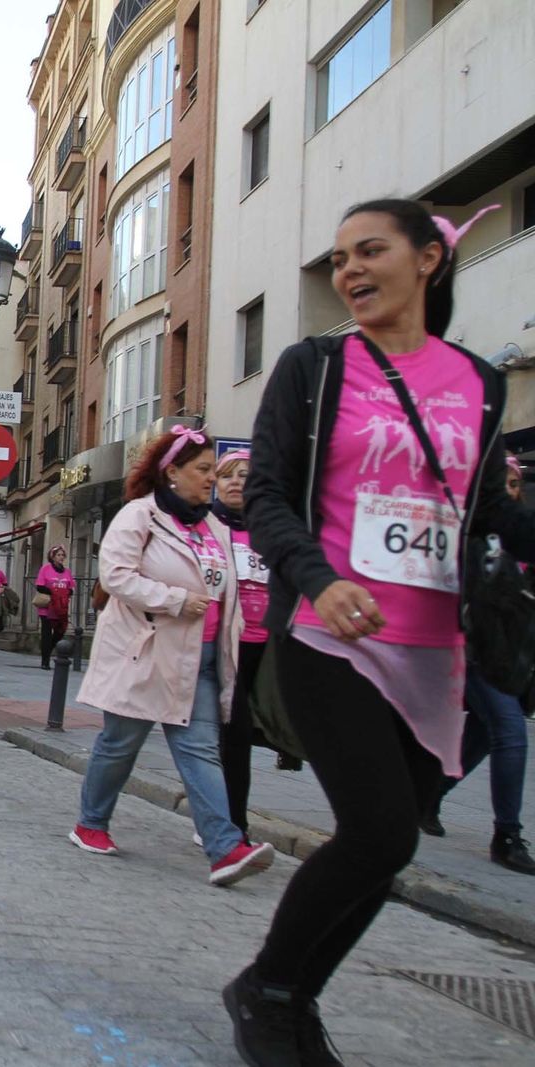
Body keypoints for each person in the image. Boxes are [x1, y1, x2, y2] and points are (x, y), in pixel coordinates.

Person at [226, 198, 535, 1065]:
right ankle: (270, 989)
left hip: (436, 646)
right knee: (381, 831)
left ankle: (288, 994)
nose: (349, 272)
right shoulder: (315, 367)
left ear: (429, 259)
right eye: (338, 260)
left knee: (386, 846)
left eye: (369, 252)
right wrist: (317, 583)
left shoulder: (481, 381)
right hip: (332, 635)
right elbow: (268, 495)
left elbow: (474, 517)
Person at [70, 426, 273, 891]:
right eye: (202, 470)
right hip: (146, 653)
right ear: (172, 472)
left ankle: (224, 848)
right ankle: (90, 823)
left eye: (211, 471)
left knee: (202, 751)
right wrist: (175, 599)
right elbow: (116, 575)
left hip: (200, 660)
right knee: (120, 746)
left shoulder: (214, 525)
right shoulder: (139, 515)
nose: (211, 479)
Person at [421, 455, 535, 874]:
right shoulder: (469, 532)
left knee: (487, 733)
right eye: (499, 483)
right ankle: (507, 835)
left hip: (511, 654)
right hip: (470, 648)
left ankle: (431, 793)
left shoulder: (520, 534)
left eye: (512, 483)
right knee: (510, 729)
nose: (508, 491)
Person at [212, 449, 271, 843]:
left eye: (245, 475)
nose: (236, 482)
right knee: (231, 738)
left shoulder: (272, 529)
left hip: (266, 650)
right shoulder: (208, 527)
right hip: (222, 649)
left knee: (241, 738)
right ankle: (232, 824)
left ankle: (229, 820)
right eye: (227, 476)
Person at [35, 545, 75, 669]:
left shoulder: (67, 572)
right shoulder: (45, 569)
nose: (61, 557)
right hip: (47, 608)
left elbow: (71, 588)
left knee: (60, 632)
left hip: (61, 607)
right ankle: (45, 661)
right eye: (59, 555)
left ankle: (48, 650)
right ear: (52, 557)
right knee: (46, 634)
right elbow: (39, 586)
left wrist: (65, 592)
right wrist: (54, 591)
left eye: (63, 555)